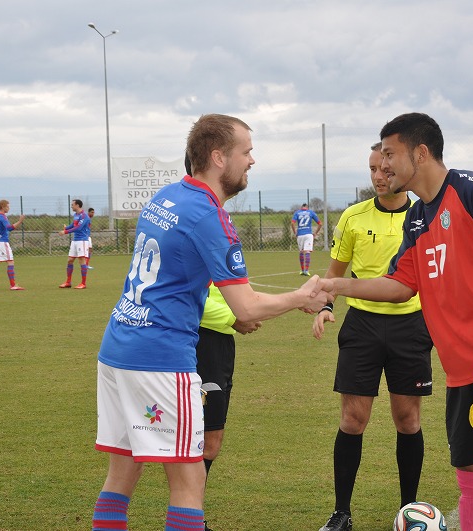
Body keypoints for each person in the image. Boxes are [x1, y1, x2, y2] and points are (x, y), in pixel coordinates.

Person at [318, 113, 473, 530]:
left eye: (390, 154)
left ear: (421, 152)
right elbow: (399, 284)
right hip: (460, 372)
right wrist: (334, 287)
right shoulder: (417, 219)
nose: (383, 164)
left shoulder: (471, 189)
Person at [91, 113, 331, 531]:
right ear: (219, 157)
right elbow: (247, 308)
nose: (252, 160)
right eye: (247, 151)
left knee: (121, 476)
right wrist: (300, 298)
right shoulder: (209, 215)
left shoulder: (166, 196)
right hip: (160, 360)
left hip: (117, 349)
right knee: (189, 481)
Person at [313, 143, 433, 531]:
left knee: (407, 419)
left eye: (385, 169)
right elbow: (335, 274)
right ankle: (341, 512)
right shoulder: (352, 217)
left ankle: (408, 511)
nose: (378, 177)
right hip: (362, 326)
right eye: (372, 170)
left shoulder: (425, 216)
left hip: (410, 326)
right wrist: (326, 307)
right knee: (353, 419)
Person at [197, 284, 261, 531]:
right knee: (201, 441)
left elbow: (242, 294)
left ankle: (192, 520)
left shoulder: (222, 248)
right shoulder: (196, 245)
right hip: (199, 341)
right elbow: (189, 294)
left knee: (210, 442)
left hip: (221, 345)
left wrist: (295, 301)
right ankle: (190, 520)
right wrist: (233, 318)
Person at [58, 199, 91, 289]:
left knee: (81, 260)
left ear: (77, 205)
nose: (71, 206)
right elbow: (73, 225)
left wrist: (65, 232)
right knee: (70, 260)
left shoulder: (84, 216)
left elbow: (79, 228)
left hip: (82, 240)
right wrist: (66, 229)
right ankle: (68, 282)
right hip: (75, 240)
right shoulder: (76, 215)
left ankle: (83, 283)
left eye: (72, 204)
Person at [291, 202, 322, 275]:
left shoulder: (297, 213)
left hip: (300, 235)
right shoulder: (311, 212)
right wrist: (315, 233)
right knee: (307, 251)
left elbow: (292, 223)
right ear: (307, 207)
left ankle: (302, 270)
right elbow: (320, 223)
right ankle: (306, 271)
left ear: (301, 207)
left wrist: (295, 232)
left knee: (301, 252)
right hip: (308, 234)